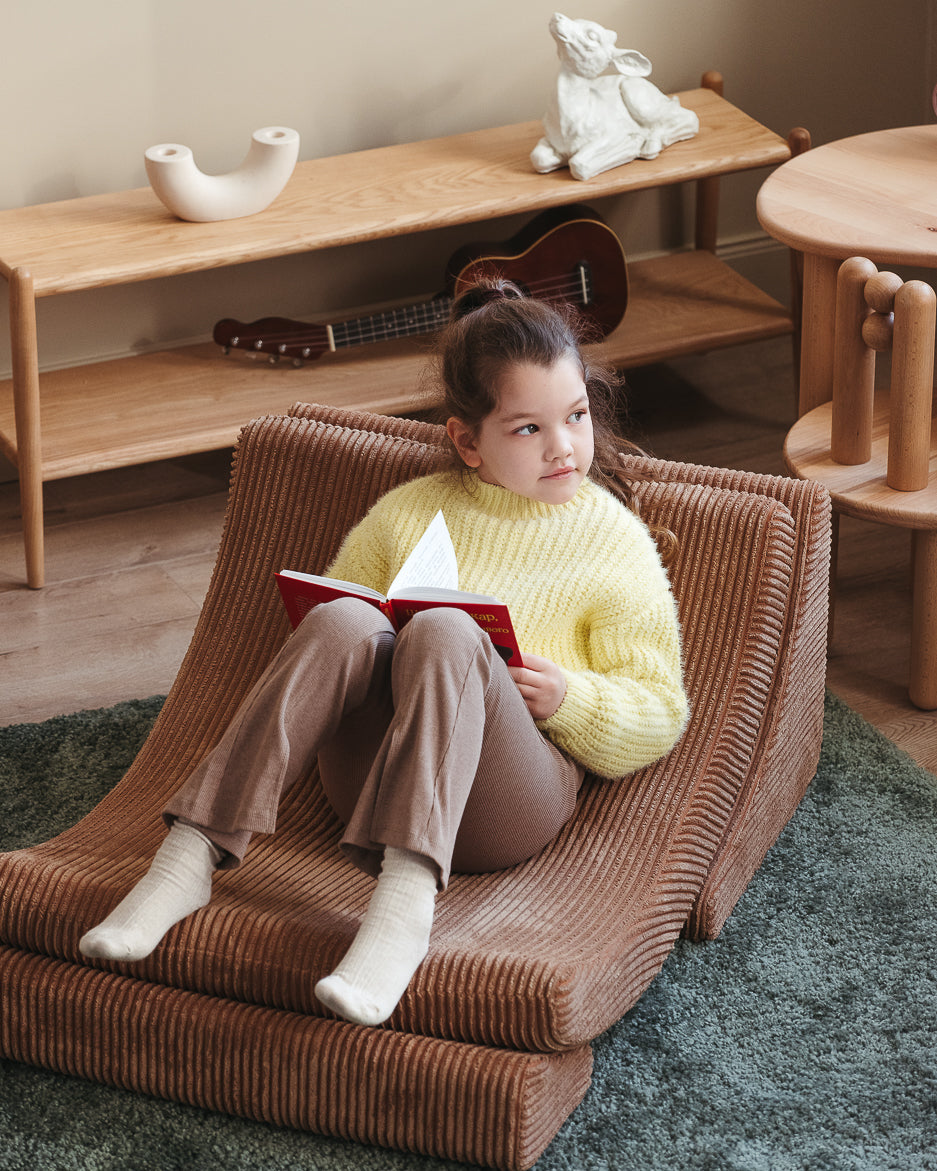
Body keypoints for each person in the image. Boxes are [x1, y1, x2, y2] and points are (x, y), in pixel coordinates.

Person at [79, 279, 689, 1027]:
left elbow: (661, 710)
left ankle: (401, 910)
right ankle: (188, 859)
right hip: (369, 779)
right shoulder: (408, 512)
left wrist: (570, 697)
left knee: (446, 629)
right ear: (468, 441)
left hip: (505, 799)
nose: (564, 445)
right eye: (528, 428)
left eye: (574, 416)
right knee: (342, 616)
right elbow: (331, 634)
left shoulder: (612, 541)